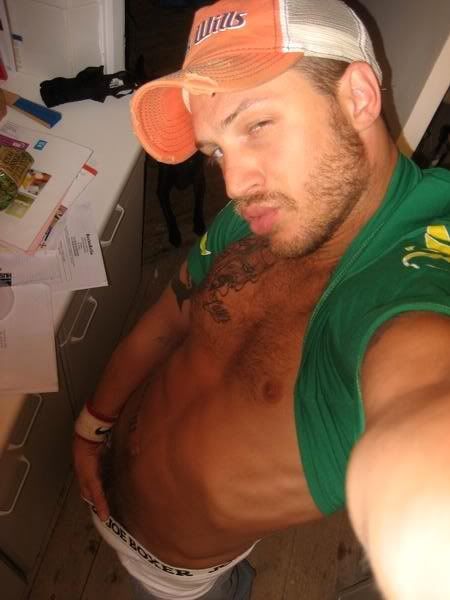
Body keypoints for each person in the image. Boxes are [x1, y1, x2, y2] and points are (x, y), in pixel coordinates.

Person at [73, 0, 450, 598]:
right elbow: (166, 322)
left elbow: (422, 403)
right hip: (106, 474)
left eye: (256, 125)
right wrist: (92, 428)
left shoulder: (416, 283)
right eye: (217, 150)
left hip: (176, 576)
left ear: (358, 98)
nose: (233, 185)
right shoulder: (262, 216)